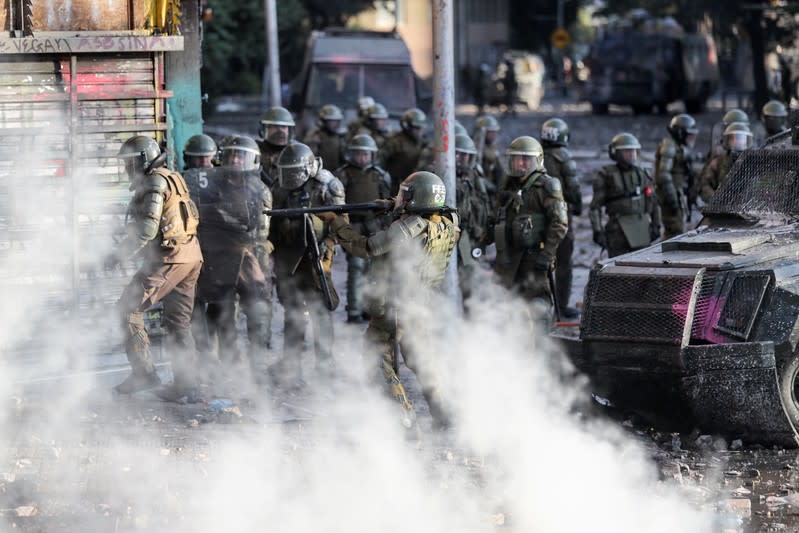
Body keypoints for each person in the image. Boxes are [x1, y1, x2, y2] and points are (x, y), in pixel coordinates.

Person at [318, 171, 460, 428]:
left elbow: (367, 247)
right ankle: (446, 415)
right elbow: (422, 220)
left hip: (395, 306)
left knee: (375, 357)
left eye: (406, 194)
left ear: (419, 200)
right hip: (422, 304)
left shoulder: (409, 228)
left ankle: (403, 419)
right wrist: (395, 206)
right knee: (422, 360)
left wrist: (338, 224)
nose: (401, 197)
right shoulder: (448, 223)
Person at [105, 135, 203, 400]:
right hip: (190, 256)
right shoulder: (172, 177)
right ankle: (187, 384)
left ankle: (143, 374)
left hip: (169, 259)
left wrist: (118, 256)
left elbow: (146, 231)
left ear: (142, 161)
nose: (127, 169)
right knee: (178, 323)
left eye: (129, 163)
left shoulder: (154, 182)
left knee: (127, 309)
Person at [191, 136, 273, 380]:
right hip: (217, 259)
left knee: (258, 315)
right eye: (232, 154)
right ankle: (228, 372)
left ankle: (258, 370)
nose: (236, 159)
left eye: (241, 155)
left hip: (248, 258)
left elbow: (261, 232)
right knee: (222, 316)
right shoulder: (211, 183)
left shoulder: (259, 189)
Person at [268, 142, 345, 386]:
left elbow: (341, 225)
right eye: (286, 172)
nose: (290, 178)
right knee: (293, 313)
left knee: (321, 312)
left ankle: (325, 365)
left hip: (315, 257)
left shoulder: (326, 186)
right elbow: (269, 223)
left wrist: (328, 247)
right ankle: (291, 366)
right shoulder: (278, 187)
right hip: (286, 256)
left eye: (294, 172)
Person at [492, 136, 568, 317]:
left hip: (535, 257)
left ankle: (538, 343)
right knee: (505, 303)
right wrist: (478, 243)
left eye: (526, 159)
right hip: (508, 257)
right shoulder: (508, 185)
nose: (521, 164)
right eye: (516, 159)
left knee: (537, 305)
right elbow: (494, 217)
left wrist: (548, 254)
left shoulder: (547, 186)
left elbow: (559, 223)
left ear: (537, 160)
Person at [334, 133, 393, 323]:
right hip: (354, 226)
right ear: (351, 155)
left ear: (372, 155)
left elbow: (387, 204)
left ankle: (370, 308)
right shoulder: (343, 174)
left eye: (366, 154)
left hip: (375, 225)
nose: (362, 158)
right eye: (358, 154)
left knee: (374, 268)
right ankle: (354, 310)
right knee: (356, 266)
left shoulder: (380, 175)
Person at [181, 133, 219, 374]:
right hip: (196, 249)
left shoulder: (184, 179)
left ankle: (211, 357)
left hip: (213, 249)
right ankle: (205, 356)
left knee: (216, 305)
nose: (203, 164)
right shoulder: (183, 180)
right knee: (195, 305)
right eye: (199, 160)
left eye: (206, 159)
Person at [589, 133, 661, 258]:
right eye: (627, 151)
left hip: (641, 229)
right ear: (616, 153)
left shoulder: (642, 173)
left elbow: (653, 202)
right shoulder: (606, 175)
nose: (632, 154)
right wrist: (598, 231)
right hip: (617, 230)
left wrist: (656, 225)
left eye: (634, 151)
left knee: (644, 266)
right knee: (618, 267)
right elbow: (595, 207)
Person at [540, 118, 581, 318]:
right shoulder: (565, 158)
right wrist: (578, 206)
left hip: (539, 216)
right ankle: (562, 306)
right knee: (564, 262)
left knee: (541, 260)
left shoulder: (535, 155)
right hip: (562, 216)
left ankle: (546, 307)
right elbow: (573, 189)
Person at [453, 134, 491, 308]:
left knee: (469, 278)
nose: (464, 159)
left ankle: (470, 321)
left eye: (468, 155)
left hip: (466, 237)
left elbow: (484, 202)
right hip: (444, 235)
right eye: (460, 155)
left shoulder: (473, 175)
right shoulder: (439, 172)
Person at [655, 113, 698, 239]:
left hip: (677, 194)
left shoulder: (678, 146)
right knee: (674, 232)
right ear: (680, 133)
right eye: (689, 135)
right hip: (671, 197)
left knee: (678, 231)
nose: (691, 138)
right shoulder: (669, 146)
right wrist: (673, 199)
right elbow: (663, 174)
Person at [697, 122, 752, 203]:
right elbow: (704, 185)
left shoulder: (752, 161)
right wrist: (715, 199)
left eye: (740, 139)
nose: (737, 142)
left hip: (745, 207)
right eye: (733, 139)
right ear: (727, 140)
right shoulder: (718, 161)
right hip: (721, 207)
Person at [379, 107, 429, 195]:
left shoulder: (423, 143)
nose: (419, 131)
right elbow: (379, 162)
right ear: (407, 126)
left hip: (417, 187)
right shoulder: (394, 142)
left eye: (421, 128)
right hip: (395, 188)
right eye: (416, 128)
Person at [257, 106, 296, 186]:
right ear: (264, 128)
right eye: (275, 126)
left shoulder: (295, 152)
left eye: (284, 127)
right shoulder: (256, 151)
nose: (280, 130)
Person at [304, 104, 346, 171]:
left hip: (336, 173)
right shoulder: (315, 135)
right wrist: (313, 143)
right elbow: (308, 158)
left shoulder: (340, 136)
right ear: (323, 121)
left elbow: (344, 158)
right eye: (331, 121)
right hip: (319, 173)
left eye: (336, 121)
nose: (334, 124)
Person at [472, 114, 505, 193]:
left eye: (495, 132)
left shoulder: (493, 147)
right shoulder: (474, 149)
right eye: (491, 132)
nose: (494, 134)